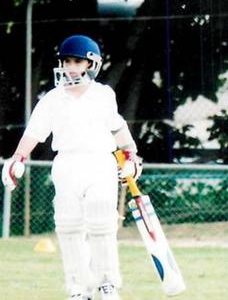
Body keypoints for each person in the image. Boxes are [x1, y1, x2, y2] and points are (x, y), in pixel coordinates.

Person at [1, 35, 143, 300]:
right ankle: (78, 287)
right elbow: (35, 132)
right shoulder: (52, 99)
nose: (70, 67)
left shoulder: (103, 95)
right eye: (67, 61)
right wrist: (18, 157)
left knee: (101, 222)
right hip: (67, 164)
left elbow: (117, 127)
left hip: (99, 162)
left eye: (77, 61)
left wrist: (132, 155)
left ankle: (107, 284)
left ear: (91, 64)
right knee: (69, 226)